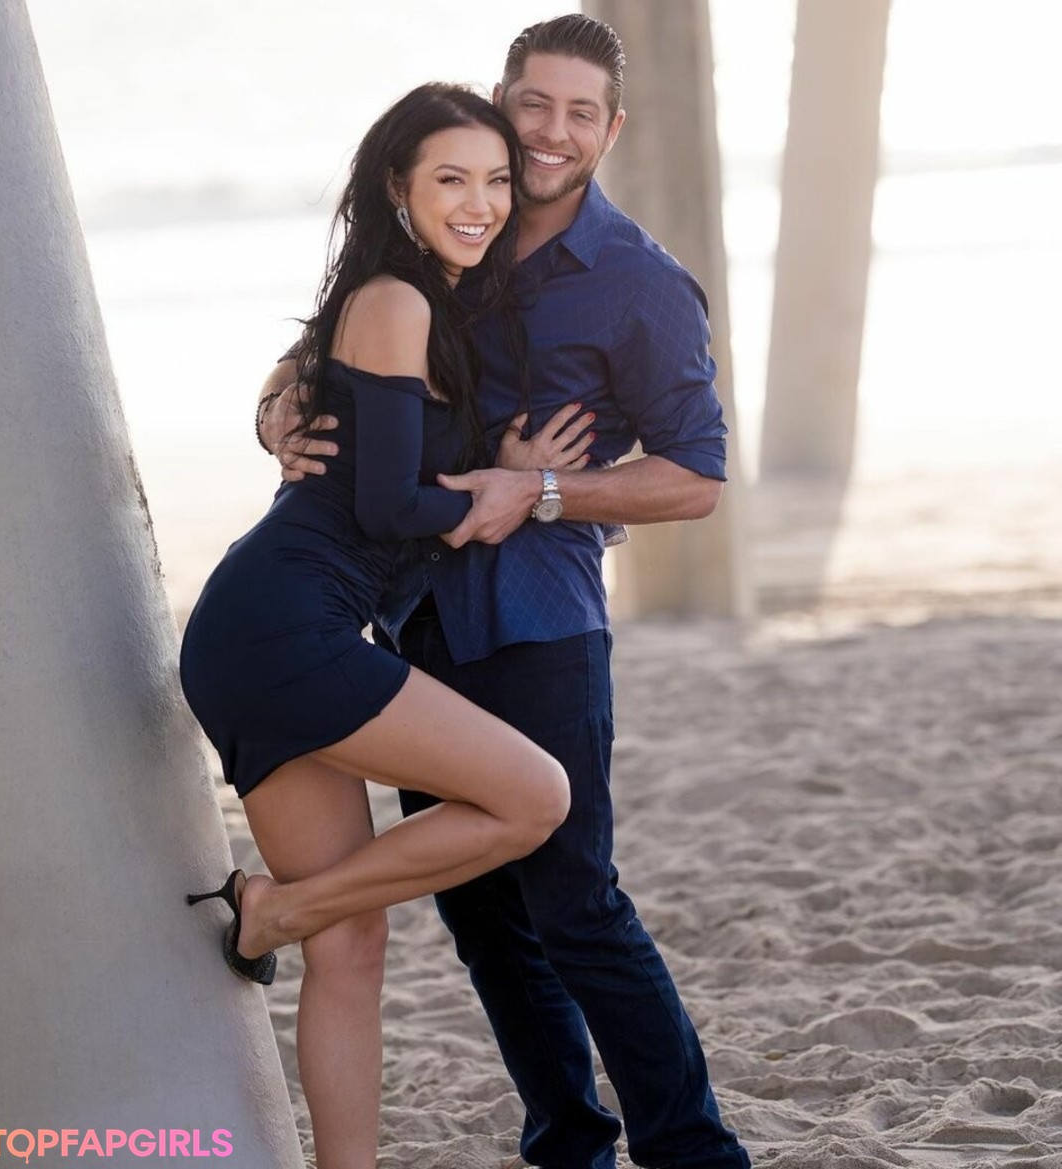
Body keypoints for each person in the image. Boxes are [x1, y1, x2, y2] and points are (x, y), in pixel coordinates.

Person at [258, 16, 751, 1169]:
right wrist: (275, 405)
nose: (551, 131)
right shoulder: (450, 231)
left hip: (539, 621)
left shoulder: (638, 284)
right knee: (482, 912)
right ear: (502, 98)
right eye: (534, 102)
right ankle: (568, 1142)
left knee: (577, 902)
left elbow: (695, 477)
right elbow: (333, 340)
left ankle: (693, 1150)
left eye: (580, 112)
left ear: (611, 130)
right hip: (414, 616)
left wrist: (541, 487)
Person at [180, 83, 573, 1169]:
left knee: (351, 940)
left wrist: (279, 393)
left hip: (259, 634)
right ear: (399, 187)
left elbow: (316, 383)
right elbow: (389, 505)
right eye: (451, 179)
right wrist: (499, 494)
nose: (479, 202)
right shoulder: (397, 299)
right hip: (286, 628)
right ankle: (271, 913)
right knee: (534, 795)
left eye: (496, 180)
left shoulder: (420, 297)